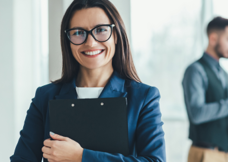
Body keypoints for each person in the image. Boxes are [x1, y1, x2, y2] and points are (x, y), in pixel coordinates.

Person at [10, 0, 166, 161]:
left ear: (116, 36)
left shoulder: (144, 97)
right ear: (68, 41)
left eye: (100, 30)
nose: (90, 42)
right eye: (78, 32)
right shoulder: (45, 96)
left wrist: (81, 156)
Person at [182, 16, 228, 162]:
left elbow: (218, 114)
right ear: (213, 39)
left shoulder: (224, 74)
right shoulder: (195, 71)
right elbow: (197, 113)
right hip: (206, 155)